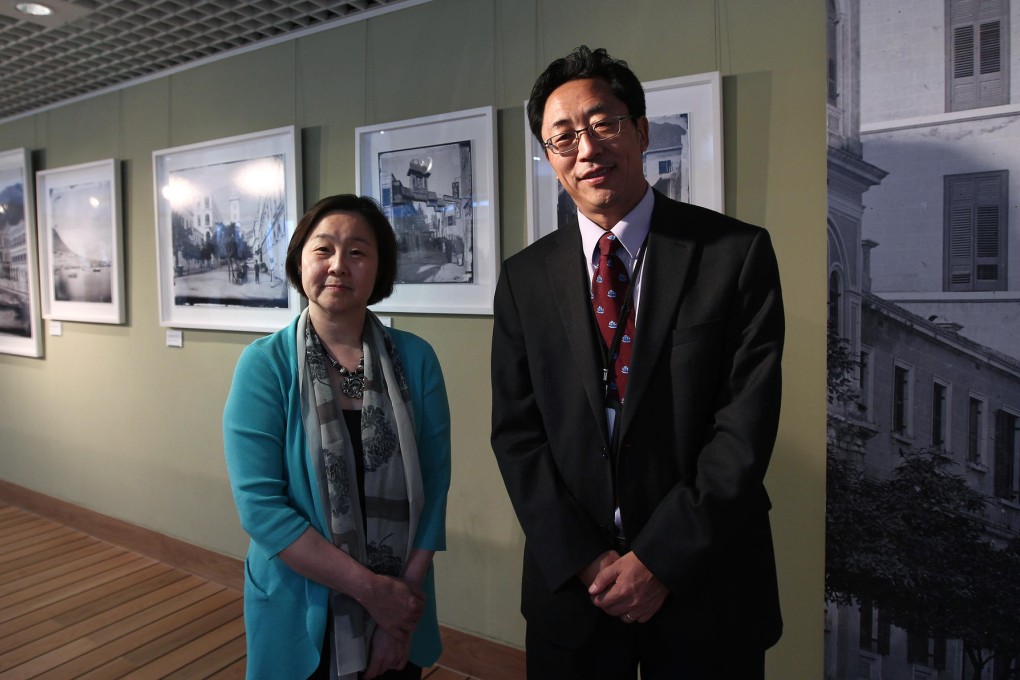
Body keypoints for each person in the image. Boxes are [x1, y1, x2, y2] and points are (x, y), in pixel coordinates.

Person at [490, 46, 784, 679]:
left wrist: (660, 559)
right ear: (549, 158)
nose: (587, 149)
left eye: (604, 124)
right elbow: (517, 435)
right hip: (576, 586)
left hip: (707, 580)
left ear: (642, 130)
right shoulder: (523, 279)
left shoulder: (734, 254)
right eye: (562, 137)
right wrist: (587, 560)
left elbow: (745, 428)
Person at [224, 194, 451, 680]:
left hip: (399, 599)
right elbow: (260, 507)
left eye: (358, 252)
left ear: (379, 268)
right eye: (323, 249)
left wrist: (399, 609)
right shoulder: (264, 365)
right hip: (298, 604)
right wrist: (371, 592)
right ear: (300, 260)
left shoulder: (418, 359)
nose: (338, 266)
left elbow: (435, 484)